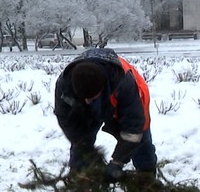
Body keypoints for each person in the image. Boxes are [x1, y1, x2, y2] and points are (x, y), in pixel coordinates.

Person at [54, 47, 157, 182]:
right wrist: (86, 149)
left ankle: (146, 180)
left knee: (142, 142)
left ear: (102, 89)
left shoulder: (125, 85)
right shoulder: (65, 85)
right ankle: (79, 183)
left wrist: (117, 162)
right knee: (81, 145)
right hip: (86, 104)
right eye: (84, 97)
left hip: (126, 100)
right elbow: (67, 121)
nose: (88, 101)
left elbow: (133, 129)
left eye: (91, 97)